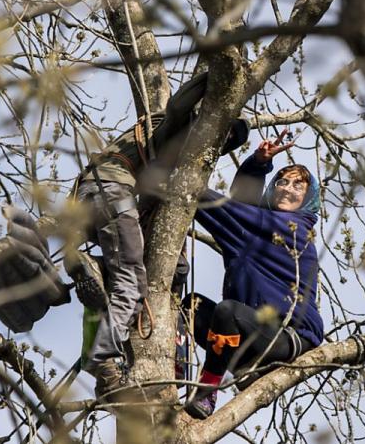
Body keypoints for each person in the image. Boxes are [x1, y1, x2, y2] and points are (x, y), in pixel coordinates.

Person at [66, 72, 250, 400]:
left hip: (96, 198)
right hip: (110, 189)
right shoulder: (175, 126)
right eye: (220, 139)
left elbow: (150, 207)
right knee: (131, 281)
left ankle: (96, 271)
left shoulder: (165, 158)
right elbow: (179, 105)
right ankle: (104, 360)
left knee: (139, 272)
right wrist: (216, 75)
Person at [182, 134, 323, 419]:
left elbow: (237, 212)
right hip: (251, 329)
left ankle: (207, 393)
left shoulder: (295, 228)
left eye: (298, 185)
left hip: (289, 336)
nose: (287, 189)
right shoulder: (253, 230)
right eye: (282, 182)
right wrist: (258, 164)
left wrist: (189, 187)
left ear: (309, 197)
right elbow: (242, 207)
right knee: (190, 307)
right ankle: (245, 367)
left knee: (227, 312)